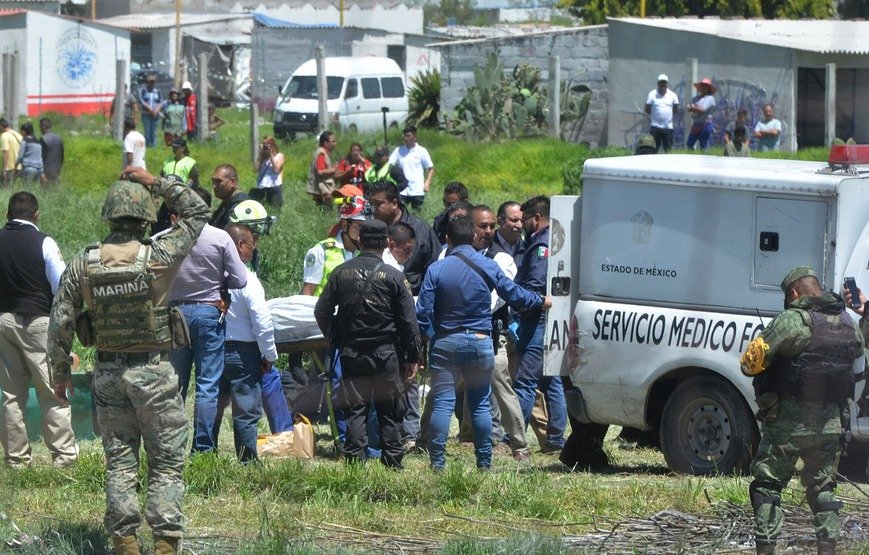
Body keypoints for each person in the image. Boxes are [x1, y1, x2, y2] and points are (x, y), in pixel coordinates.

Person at [48, 166, 209, 555]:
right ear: (146, 218)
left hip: (107, 374)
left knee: (120, 463)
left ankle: (125, 543)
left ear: (109, 216)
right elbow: (198, 211)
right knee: (166, 462)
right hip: (153, 372)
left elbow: (61, 318)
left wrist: (60, 373)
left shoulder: (83, 263)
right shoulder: (160, 255)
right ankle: (166, 544)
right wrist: (155, 181)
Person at [740, 267, 864, 555]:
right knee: (823, 489)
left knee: (768, 487)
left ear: (794, 294)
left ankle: (767, 549)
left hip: (787, 425)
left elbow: (749, 364)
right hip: (830, 425)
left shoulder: (791, 321)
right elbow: (858, 365)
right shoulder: (849, 324)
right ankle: (828, 548)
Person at [416, 216, 549, 471]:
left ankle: (438, 463)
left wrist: (434, 335)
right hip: (480, 341)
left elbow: (423, 313)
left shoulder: (437, 269)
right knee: (480, 405)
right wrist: (540, 300)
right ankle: (484, 463)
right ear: (473, 238)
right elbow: (514, 294)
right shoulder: (487, 265)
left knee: (443, 403)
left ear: (448, 239)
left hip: (446, 341)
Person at [314, 218, 422, 468]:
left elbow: (321, 311)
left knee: (355, 410)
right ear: (386, 243)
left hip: (352, 353)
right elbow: (409, 322)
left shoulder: (341, 273)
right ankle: (393, 464)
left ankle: (354, 463)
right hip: (387, 354)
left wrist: (335, 336)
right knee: (390, 411)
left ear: (360, 241)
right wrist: (413, 357)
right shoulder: (395, 277)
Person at [160, 187, 248, 454]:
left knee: (175, 385)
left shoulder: (163, 238)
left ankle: (172, 447)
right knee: (207, 385)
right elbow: (241, 279)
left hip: (174, 316)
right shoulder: (220, 238)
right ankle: (203, 448)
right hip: (209, 313)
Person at [0, 192, 77, 468]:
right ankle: (64, 457)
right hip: (38, 323)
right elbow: (62, 285)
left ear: (8, 214)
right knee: (52, 391)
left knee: (11, 395)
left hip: (4, 321)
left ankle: (17, 459)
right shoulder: (44, 241)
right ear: (36, 215)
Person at [366, 179, 441, 450]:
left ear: (394, 203)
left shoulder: (421, 230)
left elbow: (434, 271)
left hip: (415, 313)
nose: (371, 209)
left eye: (377, 204)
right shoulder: (371, 228)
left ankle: (408, 432)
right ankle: (382, 434)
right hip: (381, 318)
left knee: (410, 374)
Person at [470, 204, 532, 462]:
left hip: (491, 334)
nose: (487, 231)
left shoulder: (501, 258)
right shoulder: (453, 254)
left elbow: (497, 300)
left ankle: (519, 444)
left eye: (490, 226)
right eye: (481, 226)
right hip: (459, 331)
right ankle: (429, 439)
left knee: (502, 387)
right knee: (446, 387)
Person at [215, 224, 278, 464]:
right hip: (243, 352)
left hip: (213, 349)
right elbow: (262, 322)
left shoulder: (212, 277)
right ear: (241, 246)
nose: (254, 249)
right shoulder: (248, 280)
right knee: (246, 410)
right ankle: (247, 460)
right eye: (252, 244)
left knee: (212, 405)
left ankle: (205, 453)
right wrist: (269, 354)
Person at [512, 196, 567, 454]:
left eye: (524, 220)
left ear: (536, 218)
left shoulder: (541, 245)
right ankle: (555, 440)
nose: (522, 225)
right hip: (548, 319)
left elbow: (535, 284)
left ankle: (513, 440)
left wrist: (520, 301)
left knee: (525, 382)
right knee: (551, 381)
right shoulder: (552, 240)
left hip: (537, 319)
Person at [301, 197, 367, 297]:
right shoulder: (321, 251)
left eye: (366, 227)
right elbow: (307, 293)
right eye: (359, 226)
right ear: (345, 225)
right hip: (321, 310)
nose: (363, 231)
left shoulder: (365, 253)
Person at [389, 125, 434, 211]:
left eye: (408, 136)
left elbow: (430, 168)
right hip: (403, 190)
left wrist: (427, 183)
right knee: (400, 213)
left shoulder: (422, 151)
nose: (406, 138)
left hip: (417, 189)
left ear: (415, 137)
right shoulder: (399, 150)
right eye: (404, 136)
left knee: (417, 214)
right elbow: (389, 164)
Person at [644, 73, 679, 152]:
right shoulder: (652, 94)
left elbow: (676, 109)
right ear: (658, 84)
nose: (663, 85)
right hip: (655, 127)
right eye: (661, 83)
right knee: (653, 149)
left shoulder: (673, 95)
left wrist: (667, 116)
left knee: (668, 149)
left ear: (667, 84)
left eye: (664, 83)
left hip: (668, 128)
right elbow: (647, 109)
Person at [210, 164, 248, 230]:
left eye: (219, 181)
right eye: (213, 181)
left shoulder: (239, 204)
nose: (214, 186)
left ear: (232, 182)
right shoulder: (228, 200)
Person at [306, 130, 339, 207]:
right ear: (325, 143)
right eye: (333, 141)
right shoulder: (321, 153)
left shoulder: (324, 153)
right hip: (322, 191)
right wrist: (334, 169)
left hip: (322, 190)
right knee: (326, 211)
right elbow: (320, 171)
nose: (335, 143)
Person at [251, 136, 284, 209]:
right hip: (262, 187)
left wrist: (271, 154)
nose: (265, 148)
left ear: (273, 146)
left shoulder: (279, 156)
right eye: (263, 144)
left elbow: (276, 169)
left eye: (267, 145)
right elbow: (255, 170)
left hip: (274, 187)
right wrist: (260, 155)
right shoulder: (262, 158)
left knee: (275, 210)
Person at [432, 181, 469, 246]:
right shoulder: (440, 221)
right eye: (445, 202)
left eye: (452, 204)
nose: (448, 207)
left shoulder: (476, 220)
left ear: (465, 202)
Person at [686, 78, 716, 151]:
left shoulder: (710, 98)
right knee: (689, 144)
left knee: (703, 144)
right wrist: (694, 107)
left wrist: (693, 107)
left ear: (708, 88)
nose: (703, 87)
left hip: (705, 124)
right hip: (696, 124)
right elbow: (688, 107)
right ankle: (693, 158)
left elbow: (703, 109)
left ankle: (705, 160)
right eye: (702, 86)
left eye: (705, 86)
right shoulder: (696, 98)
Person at [138, 75, 164, 148]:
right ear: (147, 82)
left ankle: (154, 146)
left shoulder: (158, 91)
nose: (151, 84)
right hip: (146, 114)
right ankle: (147, 146)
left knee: (154, 132)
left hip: (155, 114)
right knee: (147, 132)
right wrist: (149, 108)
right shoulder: (143, 91)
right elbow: (141, 100)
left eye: (153, 82)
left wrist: (157, 110)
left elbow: (160, 102)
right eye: (150, 82)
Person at [39, 118, 64, 184]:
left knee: (45, 192)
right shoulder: (59, 138)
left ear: (43, 126)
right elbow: (62, 157)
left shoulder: (43, 139)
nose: (40, 129)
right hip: (57, 172)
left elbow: (40, 158)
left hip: (46, 173)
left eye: (40, 127)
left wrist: (42, 174)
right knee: (56, 192)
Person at [1, 118, 23, 185]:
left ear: (0, 127)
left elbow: (6, 153)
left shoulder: (4, 135)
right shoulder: (18, 134)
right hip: (20, 167)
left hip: (9, 167)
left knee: (5, 189)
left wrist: (4, 169)